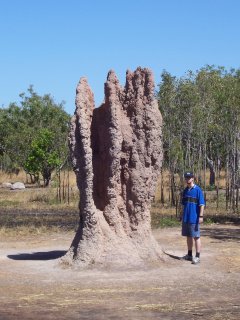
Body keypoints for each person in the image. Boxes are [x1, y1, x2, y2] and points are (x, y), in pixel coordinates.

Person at [180, 172, 205, 264]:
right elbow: (183, 205)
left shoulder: (198, 190)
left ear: (193, 178)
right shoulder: (185, 190)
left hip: (194, 218)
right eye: (186, 177)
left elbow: (202, 205)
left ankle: (197, 257)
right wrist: (181, 215)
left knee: (196, 237)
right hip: (186, 218)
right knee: (188, 236)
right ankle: (189, 255)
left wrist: (201, 216)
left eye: (189, 177)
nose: (187, 179)